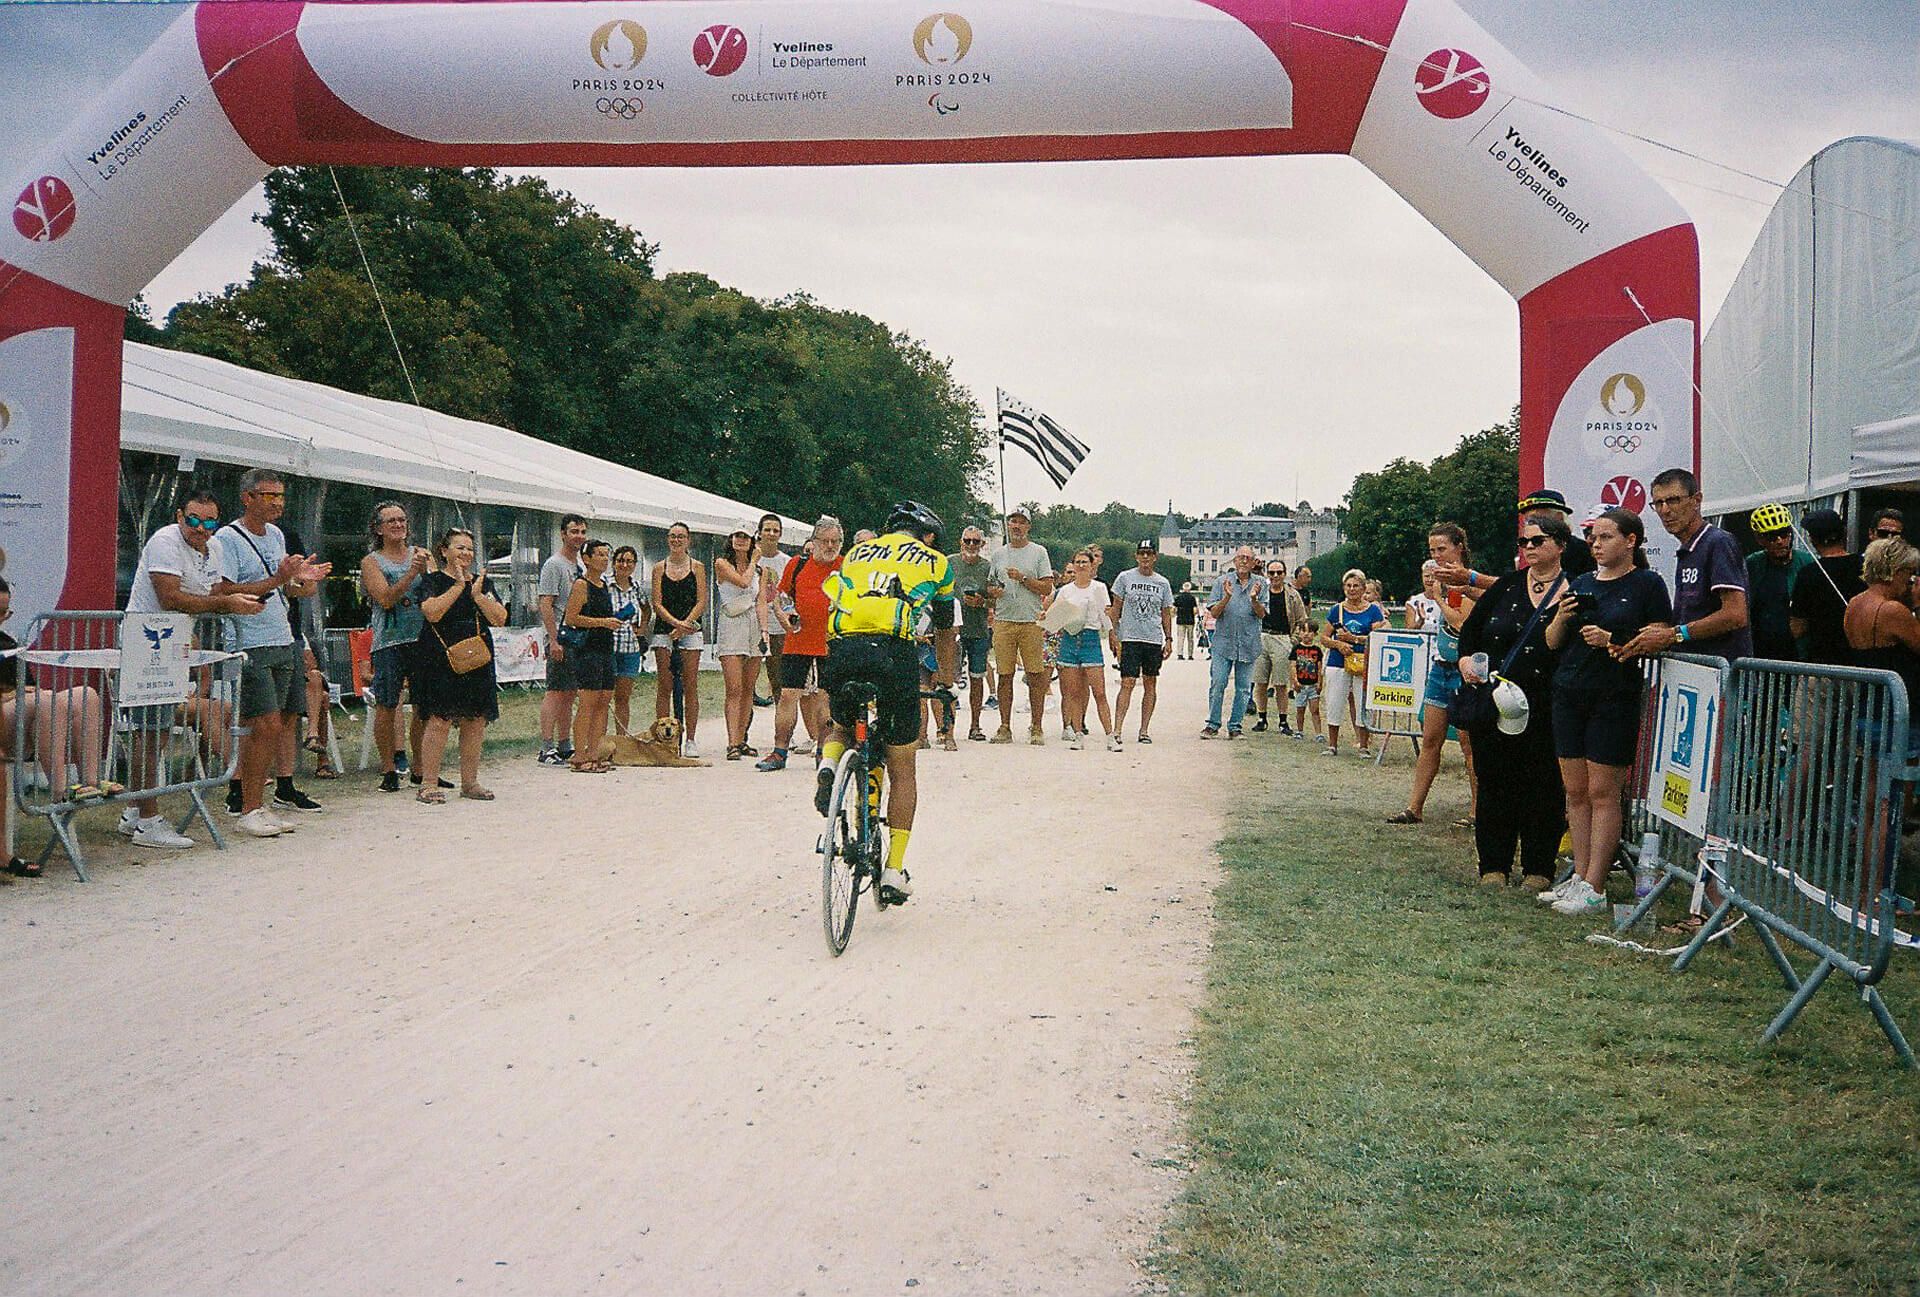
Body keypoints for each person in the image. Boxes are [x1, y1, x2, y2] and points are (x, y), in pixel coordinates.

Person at [817, 501, 957, 904]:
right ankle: (894, 868)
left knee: (845, 723)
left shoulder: (856, 553)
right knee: (902, 763)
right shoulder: (936, 563)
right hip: (893, 653)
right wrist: (945, 681)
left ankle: (829, 765)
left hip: (843, 648)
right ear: (926, 535)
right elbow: (946, 629)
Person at [1541, 508, 1672, 915]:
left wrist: (1612, 638)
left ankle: (1597, 882)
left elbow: (1660, 637)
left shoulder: (1647, 584)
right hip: (1569, 690)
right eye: (1593, 538)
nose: (1596, 545)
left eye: (1606, 537)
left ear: (1630, 541)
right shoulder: (1580, 582)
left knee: (1603, 792)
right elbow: (1551, 642)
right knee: (1575, 791)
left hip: (1613, 695)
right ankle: (1579, 876)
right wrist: (1561, 616)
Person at [117, 493, 264, 849]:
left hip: (175, 641)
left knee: (160, 732)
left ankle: (135, 813)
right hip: (148, 640)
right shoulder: (165, 541)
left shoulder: (212, 550)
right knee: (150, 732)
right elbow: (171, 597)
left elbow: (216, 592)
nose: (201, 529)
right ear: (180, 515)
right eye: (194, 520)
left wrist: (273, 584)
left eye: (210, 523)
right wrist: (226, 604)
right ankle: (147, 821)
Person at [212, 468, 330, 839]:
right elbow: (223, 590)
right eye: (269, 496)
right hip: (248, 641)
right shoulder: (226, 539)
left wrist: (300, 583)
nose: (277, 502)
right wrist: (280, 580)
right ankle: (247, 805)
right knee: (261, 724)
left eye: (280, 496)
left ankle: (260, 803)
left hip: (283, 636)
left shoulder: (277, 535)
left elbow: (283, 589)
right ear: (247, 497)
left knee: (278, 722)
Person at [1457, 514, 1570, 888]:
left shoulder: (1572, 589)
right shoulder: (1505, 587)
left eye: (1538, 541)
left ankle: (1539, 867)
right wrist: (1465, 661)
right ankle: (1494, 865)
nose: (1530, 548)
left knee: (1544, 785)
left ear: (1560, 545)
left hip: (1546, 703)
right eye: (1525, 542)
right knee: (1494, 782)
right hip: (1496, 702)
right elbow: (1470, 634)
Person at [1389, 526, 1479, 825]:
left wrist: (1439, 599)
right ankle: (1415, 807)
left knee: (1469, 746)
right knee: (1430, 739)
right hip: (1440, 668)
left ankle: (1477, 810)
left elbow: (1462, 623)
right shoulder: (1440, 582)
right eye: (1432, 551)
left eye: (1441, 549)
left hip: (1464, 672)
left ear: (1459, 548)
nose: (1436, 556)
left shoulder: (1467, 581)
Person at [414, 527, 508, 801]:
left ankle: (470, 782)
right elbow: (432, 613)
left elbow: (500, 617)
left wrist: (477, 595)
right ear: (444, 551)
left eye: (469, 548)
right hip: (439, 656)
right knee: (439, 719)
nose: (465, 553)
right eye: (459, 547)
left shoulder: (482, 583)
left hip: (476, 654)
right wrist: (458, 586)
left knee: (475, 720)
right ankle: (429, 782)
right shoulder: (431, 581)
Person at [1619, 468, 1750, 663]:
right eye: (1658, 503)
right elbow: (1691, 617)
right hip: (1694, 672)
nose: (1665, 510)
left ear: (1696, 500)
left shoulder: (1717, 542)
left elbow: (1735, 614)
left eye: (1673, 500)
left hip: (1721, 673)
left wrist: (1674, 634)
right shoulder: (1687, 549)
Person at [757, 517, 844, 772]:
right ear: (814, 542)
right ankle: (779, 751)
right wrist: (785, 619)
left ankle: (823, 753)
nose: (830, 546)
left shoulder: (846, 568)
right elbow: (781, 597)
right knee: (787, 697)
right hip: (797, 642)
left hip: (831, 644)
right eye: (825, 541)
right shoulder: (797, 564)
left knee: (825, 700)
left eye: (835, 541)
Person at [988, 507, 1055, 745]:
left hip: (1030, 621)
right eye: (1012, 521)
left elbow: (1047, 587)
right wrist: (993, 591)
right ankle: (1005, 726)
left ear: (1028, 526)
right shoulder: (998, 554)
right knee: (1004, 675)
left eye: (1021, 522)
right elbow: (991, 585)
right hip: (1004, 621)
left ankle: (1036, 726)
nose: (1016, 526)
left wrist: (1023, 579)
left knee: (1035, 675)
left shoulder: (1038, 552)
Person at [1047, 549, 1118, 750]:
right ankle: (1078, 733)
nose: (1080, 565)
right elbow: (1056, 615)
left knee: (1099, 692)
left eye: (1084, 562)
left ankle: (1110, 735)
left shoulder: (1099, 588)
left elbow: (1105, 615)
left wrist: (1112, 634)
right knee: (1074, 692)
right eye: (1077, 562)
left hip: (1090, 638)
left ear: (1091, 565)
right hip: (1070, 638)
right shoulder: (1066, 590)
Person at [649, 522, 709, 757]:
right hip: (665, 629)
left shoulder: (697, 567)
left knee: (690, 685)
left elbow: (701, 600)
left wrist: (685, 626)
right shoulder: (658, 568)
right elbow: (657, 602)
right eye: (673, 536)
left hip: (691, 630)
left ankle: (690, 738)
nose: (676, 540)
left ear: (688, 540)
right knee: (664, 685)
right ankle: (661, 740)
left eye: (681, 537)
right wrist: (675, 624)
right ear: (667, 539)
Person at [714, 523, 773, 761]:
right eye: (737, 536)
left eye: (745, 537)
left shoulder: (761, 570)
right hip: (732, 623)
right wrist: (753, 561)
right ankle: (731, 741)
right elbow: (743, 582)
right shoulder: (722, 564)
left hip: (752, 625)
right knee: (734, 687)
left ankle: (741, 738)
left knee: (749, 687)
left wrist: (764, 629)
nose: (741, 541)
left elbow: (760, 601)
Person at [562, 539, 621, 773]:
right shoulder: (581, 585)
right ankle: (579, 753)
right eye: (599, 555)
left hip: (606, 648)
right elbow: (571, 618)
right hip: (588, 650)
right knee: (588, 702)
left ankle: (595, 752)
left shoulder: (603, 585)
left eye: (607, 555)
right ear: (586, 559)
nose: (604, 559)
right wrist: (602, 623)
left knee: (603, 701)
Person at [536, 514, 589, 767]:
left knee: (569, 693)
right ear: (563, 534)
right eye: (573, 531)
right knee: (555, 692)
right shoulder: (554, 565)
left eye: (582, 532)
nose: (578, 536)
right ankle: (546, 747)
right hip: (561, 636)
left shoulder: (579, 565)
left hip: (578, 638)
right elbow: (546, 603)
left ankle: (564, 743)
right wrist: (553, 639)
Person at [1110, 539, 1175, 744]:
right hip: (1130, 637)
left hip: (1152, 639)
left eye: (1149, 553)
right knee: (1127, 682)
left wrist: (1169, 638)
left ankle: (1144, 730)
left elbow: (1165, 612)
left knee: (1150, 682)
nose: (1145, 557)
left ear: (1155, 557)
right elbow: (1116, 608)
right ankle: (1117, 729)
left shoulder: (1162, 583)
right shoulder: (1125, 578)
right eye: (1142, 553)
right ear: (1136, 556)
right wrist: (1114, 634)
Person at [1202, 547, 1267, 739]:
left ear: (1254, 562)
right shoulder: (1222, 582)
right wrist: (1227, 597)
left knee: (1243, 688)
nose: (1244, 561)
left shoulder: (1261, 583)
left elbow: (1262, 614)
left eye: (1248, 558)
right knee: (1218, 683)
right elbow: (1214, 613)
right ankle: (1213, 724)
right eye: (1240, 558)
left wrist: (1254, 599)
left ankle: (1235, 726)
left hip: (1248, 642)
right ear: (1234, 561)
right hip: (1224, 642)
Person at [1322, 569, 1385, 757]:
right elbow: (1324, 637)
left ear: (1363, 588)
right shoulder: (1337, 610)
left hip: (1363, 662)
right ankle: (1332, 744)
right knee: (1334, 701)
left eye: (1356, 585)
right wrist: (1338, 643)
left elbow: (1376, 636)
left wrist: (1354, 639)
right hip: (1338, 661)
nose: (1351, 589)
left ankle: (1363, 745)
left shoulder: (1373, 611)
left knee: (1362, 702)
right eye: (1348, 586)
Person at [1789, 508, 1864, 666]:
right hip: (1861, 665)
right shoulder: (1864, 566)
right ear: (1843, 533)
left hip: (1822, 666)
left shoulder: (1808, 574)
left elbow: (1798, 628)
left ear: (1812, 539)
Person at [1745, 503, 1812, 661]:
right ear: (1760, 539)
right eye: (1772, 536)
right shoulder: (1752, 564)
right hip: (1762, 653)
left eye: (1784, 534)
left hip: (1798, 654)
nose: (1780, 541)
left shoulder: (1807, 563)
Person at [948, 524, 996, 741]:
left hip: (978, 630)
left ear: (982, 544)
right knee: (949, 680)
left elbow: (997, 597)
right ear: (960, 542)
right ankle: (947, 728)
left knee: (977, 678)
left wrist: (983, 602)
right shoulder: (949, 563)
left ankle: (975, 726)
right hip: (953, 630)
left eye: (975, 541)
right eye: (967, 540)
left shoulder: (988, 567)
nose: (971, 545)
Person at [1251, 560, 1308, 733]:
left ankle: (1283, 720)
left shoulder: (1292, 594)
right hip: (1262, 636)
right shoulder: (1262, 593)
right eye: (1272, 573)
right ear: (1268, 574)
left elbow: (1301, 619)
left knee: (1281, 684)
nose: (1275, 576)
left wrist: (1294, 640)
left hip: (1282, 638)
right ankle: (1262, 717)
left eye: (1279, 572)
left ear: (1284, 574)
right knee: (1260, 681)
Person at [607, 545, 649, 736]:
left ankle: (621, 738)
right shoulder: (604, 584)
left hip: (630, 647)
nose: (624, 565)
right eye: (620, 561)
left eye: (629, 561)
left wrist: (641, 629)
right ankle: (598, 740)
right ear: (614, 563)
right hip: (608, 646)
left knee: (623, 698)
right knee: (603, 697)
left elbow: (646, 608)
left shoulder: (636, 587)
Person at [755, 514, 788, 708]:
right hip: (752, 624)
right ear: (759, 532)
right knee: (745, 683)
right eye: (767, 529)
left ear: (781, 534)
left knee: (779, 680)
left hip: (778, 627)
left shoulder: (786, 561)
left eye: (775, 530)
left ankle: (783, 730)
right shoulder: (750, 558)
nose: (771, 534)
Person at [1289, 629, 1324, 741]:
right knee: (1300, 709)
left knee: (1315, 710)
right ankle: (1299, 731)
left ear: (1315, 634)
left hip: (1313, 685)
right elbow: (1293, 666)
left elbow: (1319, 668)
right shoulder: (1296, 649)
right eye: (1303, 631)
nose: (1306, 634)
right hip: (1301, 686)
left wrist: (1319, 683)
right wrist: (1295, 681)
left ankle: (1318, 733)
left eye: (1310, 631)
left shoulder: (1317, 650)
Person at [1173, 581, 1199, 659]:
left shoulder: (1178, 598)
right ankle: (1190, 655)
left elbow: (1174, 609)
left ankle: (1180, 654)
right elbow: (1195, 610)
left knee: (1180, 637)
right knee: (1190, 638)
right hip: (1190, 620)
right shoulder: (1192, 598)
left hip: (1180, 620)